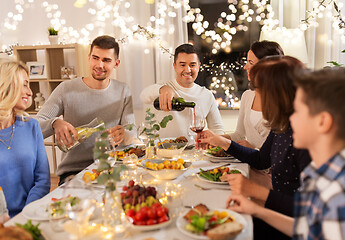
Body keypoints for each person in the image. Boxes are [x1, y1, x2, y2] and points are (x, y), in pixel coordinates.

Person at [197, 56, 311, 239]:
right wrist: (221, 141)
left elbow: (313, 210)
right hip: (276, 211)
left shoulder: (305, 136)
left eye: (258, 89)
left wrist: (257, 192)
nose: (256, 96)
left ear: (277, 92)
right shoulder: (282, 123)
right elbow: (261, 160)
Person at [226, 67, 345, 240]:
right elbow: (308, 227)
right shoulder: (320, 171)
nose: (291, 119)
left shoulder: (336, 192)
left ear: (323, 122)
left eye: (297, 111)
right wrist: (257, 211)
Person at [35, 35, 137, 185]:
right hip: (73, 172)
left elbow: (131, 133)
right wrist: (55, 123)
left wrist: (124, 134)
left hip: (109, 168)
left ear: (116, 63)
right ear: (88, 58)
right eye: (95, 58)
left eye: (106, 60)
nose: (99, 65)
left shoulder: (123, 90)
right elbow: (35, 125)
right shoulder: (66, 89)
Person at [140, 43, 224, 139]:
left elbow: (218, 129)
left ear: (199, 66)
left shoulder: (206, 95)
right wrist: (162, 89)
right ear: (175, 66)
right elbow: (144, 95)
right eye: (182, 65)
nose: (188, 70)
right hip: (165, 150)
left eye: (192, 65)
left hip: (194, 152)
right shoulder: (164, 87)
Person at [0, 60, 50, 217]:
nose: (30, 92)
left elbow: (43, 180)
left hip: (30, 215)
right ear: (7, 86)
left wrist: (26, 214)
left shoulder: (31, 126)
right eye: (24, 84)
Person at [226, 40, 284, 149]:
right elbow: (239, 134)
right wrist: (215, 139)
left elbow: (281, 150)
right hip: (249, 163)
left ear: (266, 67)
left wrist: (253, 149)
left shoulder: (283, 101)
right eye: (246, 61)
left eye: (251, 63)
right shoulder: (248, 96)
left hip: (270, 165)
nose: (245, 67)